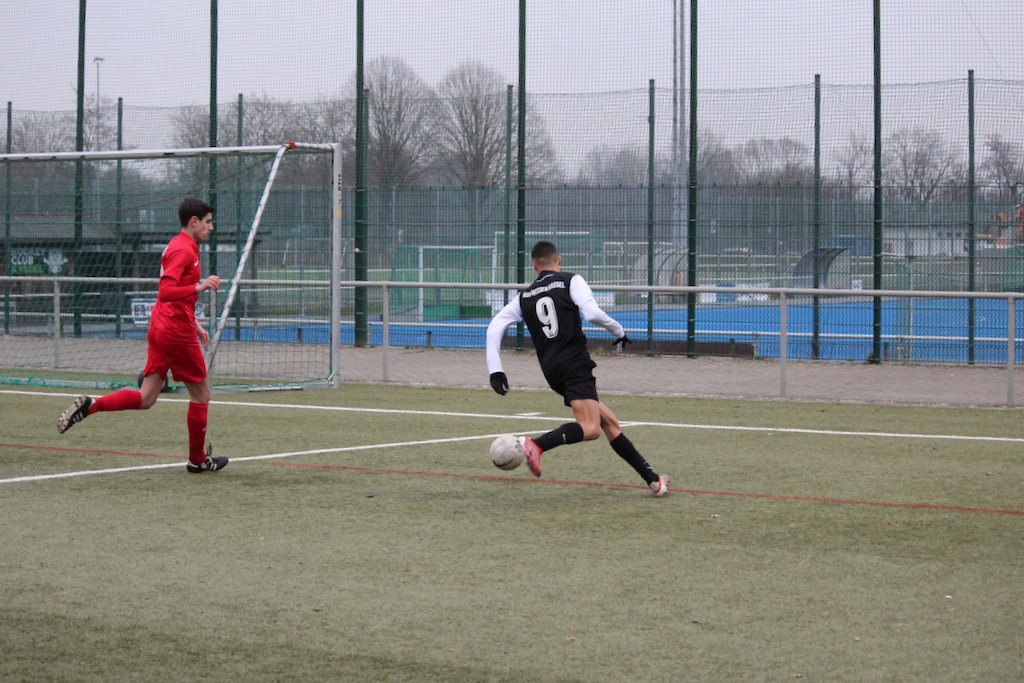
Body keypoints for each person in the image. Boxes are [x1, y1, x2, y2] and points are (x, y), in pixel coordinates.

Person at [57, 196, 228, 474]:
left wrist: (194, 321)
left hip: (162, 326)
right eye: (208, 222)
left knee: (147, 397)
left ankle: (92, 405)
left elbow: (175, 297)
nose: (211, 227)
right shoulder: (184, 250)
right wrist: (200, 287)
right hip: (175, 333)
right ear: (194, 221)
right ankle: (197, 459)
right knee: (201, 395)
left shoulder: (180, 245)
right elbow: (166, 291)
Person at [485, 240, 668, 496]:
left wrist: (496, 370)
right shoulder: (571, 280)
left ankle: (653, 480)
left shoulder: (524, 296)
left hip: (552, 371)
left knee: (609, 421)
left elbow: (495, 327)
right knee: (590, 428)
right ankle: (535, 445)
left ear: (534, 265)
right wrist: (619, 331)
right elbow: (592, 314)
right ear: (558, 260)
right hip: (574, 364)